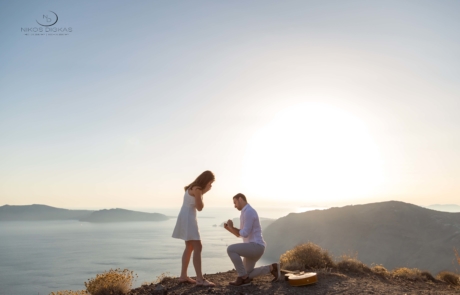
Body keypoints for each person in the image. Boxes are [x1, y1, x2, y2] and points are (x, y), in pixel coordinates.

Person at [224, 193, 281, 286]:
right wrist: (230, 228)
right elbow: (240, 234)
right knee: (248, 273)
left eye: (235, 202)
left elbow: (244, 233)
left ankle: (242, 277)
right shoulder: (244, 212)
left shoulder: (249, 212)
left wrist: (232, 227)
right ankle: (272, 268)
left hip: (255, 247)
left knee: (230, 249)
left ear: (240, 199)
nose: (234, 205)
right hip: (253, 248)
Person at [172, 170, 216, 287]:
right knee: (198, 246)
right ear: (206, 181)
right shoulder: (198, 189)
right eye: (210, 183)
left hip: (185, 216)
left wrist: (203, 192)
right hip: (189, 219)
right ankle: (200, 279)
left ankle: (183, 276)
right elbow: (200, 207)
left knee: (189, 246)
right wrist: (204, 191)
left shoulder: (192, 187)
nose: (210, 186)